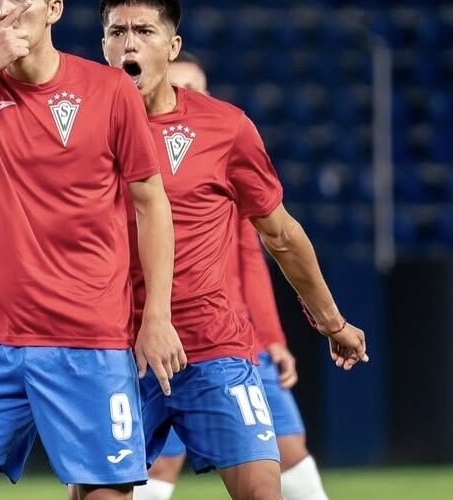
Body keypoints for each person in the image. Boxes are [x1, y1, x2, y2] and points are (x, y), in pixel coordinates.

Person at [0, 2, 366, 499]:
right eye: (117, 31)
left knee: (263, 486)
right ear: (103, 41)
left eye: (145, 31)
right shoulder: (70, 98)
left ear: (172, 46)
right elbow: (4, 189)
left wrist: (328, 321)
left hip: (190, 342)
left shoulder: (210, 124)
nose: (130, 43)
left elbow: (275, 236)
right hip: (83, 342)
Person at [0, 0, 182, 498]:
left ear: (53, 8)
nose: (3, 9)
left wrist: (156, 317)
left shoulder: (110, 89)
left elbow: (151, 203)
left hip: (90, 342)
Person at [135, 51, 331, 500]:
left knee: (288, 451)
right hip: (153, 337)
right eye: (178, 84)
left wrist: (272, 338)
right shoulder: (127, 156)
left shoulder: (220, 157)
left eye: (195, 87)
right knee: (157, 463)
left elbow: (252, 260)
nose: (185, 94)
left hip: (232, 340)